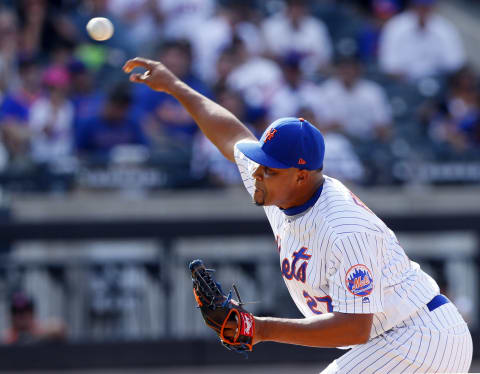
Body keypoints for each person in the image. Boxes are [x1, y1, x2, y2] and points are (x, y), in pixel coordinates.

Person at [123, 57, 473, 373]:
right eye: (260, 165)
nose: (257, 174)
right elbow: (231, 136)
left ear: (302, 175)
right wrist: (174, 85)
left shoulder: (343, 229)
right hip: (391, 340)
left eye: (270, 170)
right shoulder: (281, 185)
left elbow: (354, 327)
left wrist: (261, 328)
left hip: (420, 338)